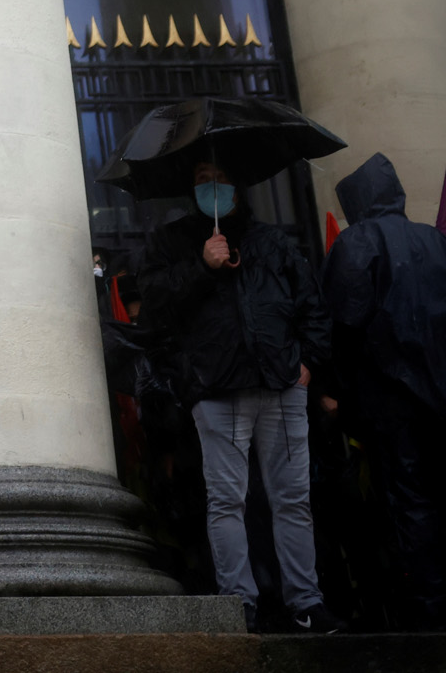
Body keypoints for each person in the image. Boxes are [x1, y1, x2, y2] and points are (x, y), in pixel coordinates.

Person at [138, 159, 342, 634]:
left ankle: (306, 602)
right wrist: (201, 268)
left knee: (292, 499)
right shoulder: (172, 244)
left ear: (238, 185)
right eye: (201, 179)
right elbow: (154, 314)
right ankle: (239, 603)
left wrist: (307, 365)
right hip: (216, 390)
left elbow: (311, 305)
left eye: (221, 178)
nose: (213, 187)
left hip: (281, 387)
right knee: (226, 500)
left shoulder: (271, 242)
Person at [323, 153, 446, 628]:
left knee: (412, 504)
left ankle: (430, 614)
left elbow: (345, 323)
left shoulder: (358, 243)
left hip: (394, 401)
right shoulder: (439, 242)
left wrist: (340, 388)